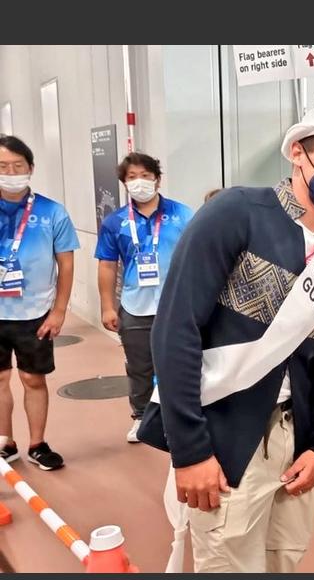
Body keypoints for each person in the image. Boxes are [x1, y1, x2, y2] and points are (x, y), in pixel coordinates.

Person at [137, 105, 314, 573]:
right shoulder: (236, 213)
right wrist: (190, 450)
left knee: (284, 561)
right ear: (297, 153)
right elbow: (176, 329)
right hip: (226, 435)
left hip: (296, 440)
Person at [95, 152, 193, 442]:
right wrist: (107, 307)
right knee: (139, 367)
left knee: (179, 364)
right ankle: (141, 417)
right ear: (124, 183)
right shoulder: (114, 222)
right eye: (132, 177)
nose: (139, 182)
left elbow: (198, 256)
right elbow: (107, 265)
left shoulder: (183, 215)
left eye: (146, 176)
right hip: (135, 305)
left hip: (176, 305)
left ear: (157, 180)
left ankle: (179, 417)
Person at [0, 135, 80, 471]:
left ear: (30, 168)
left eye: (17, 166)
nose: (11, 173)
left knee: (33, 379)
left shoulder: (51, 212)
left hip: (35, 313)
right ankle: (5, 443)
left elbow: (66, 264)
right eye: (3, 167)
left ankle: (37, 444)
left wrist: (59, 311)